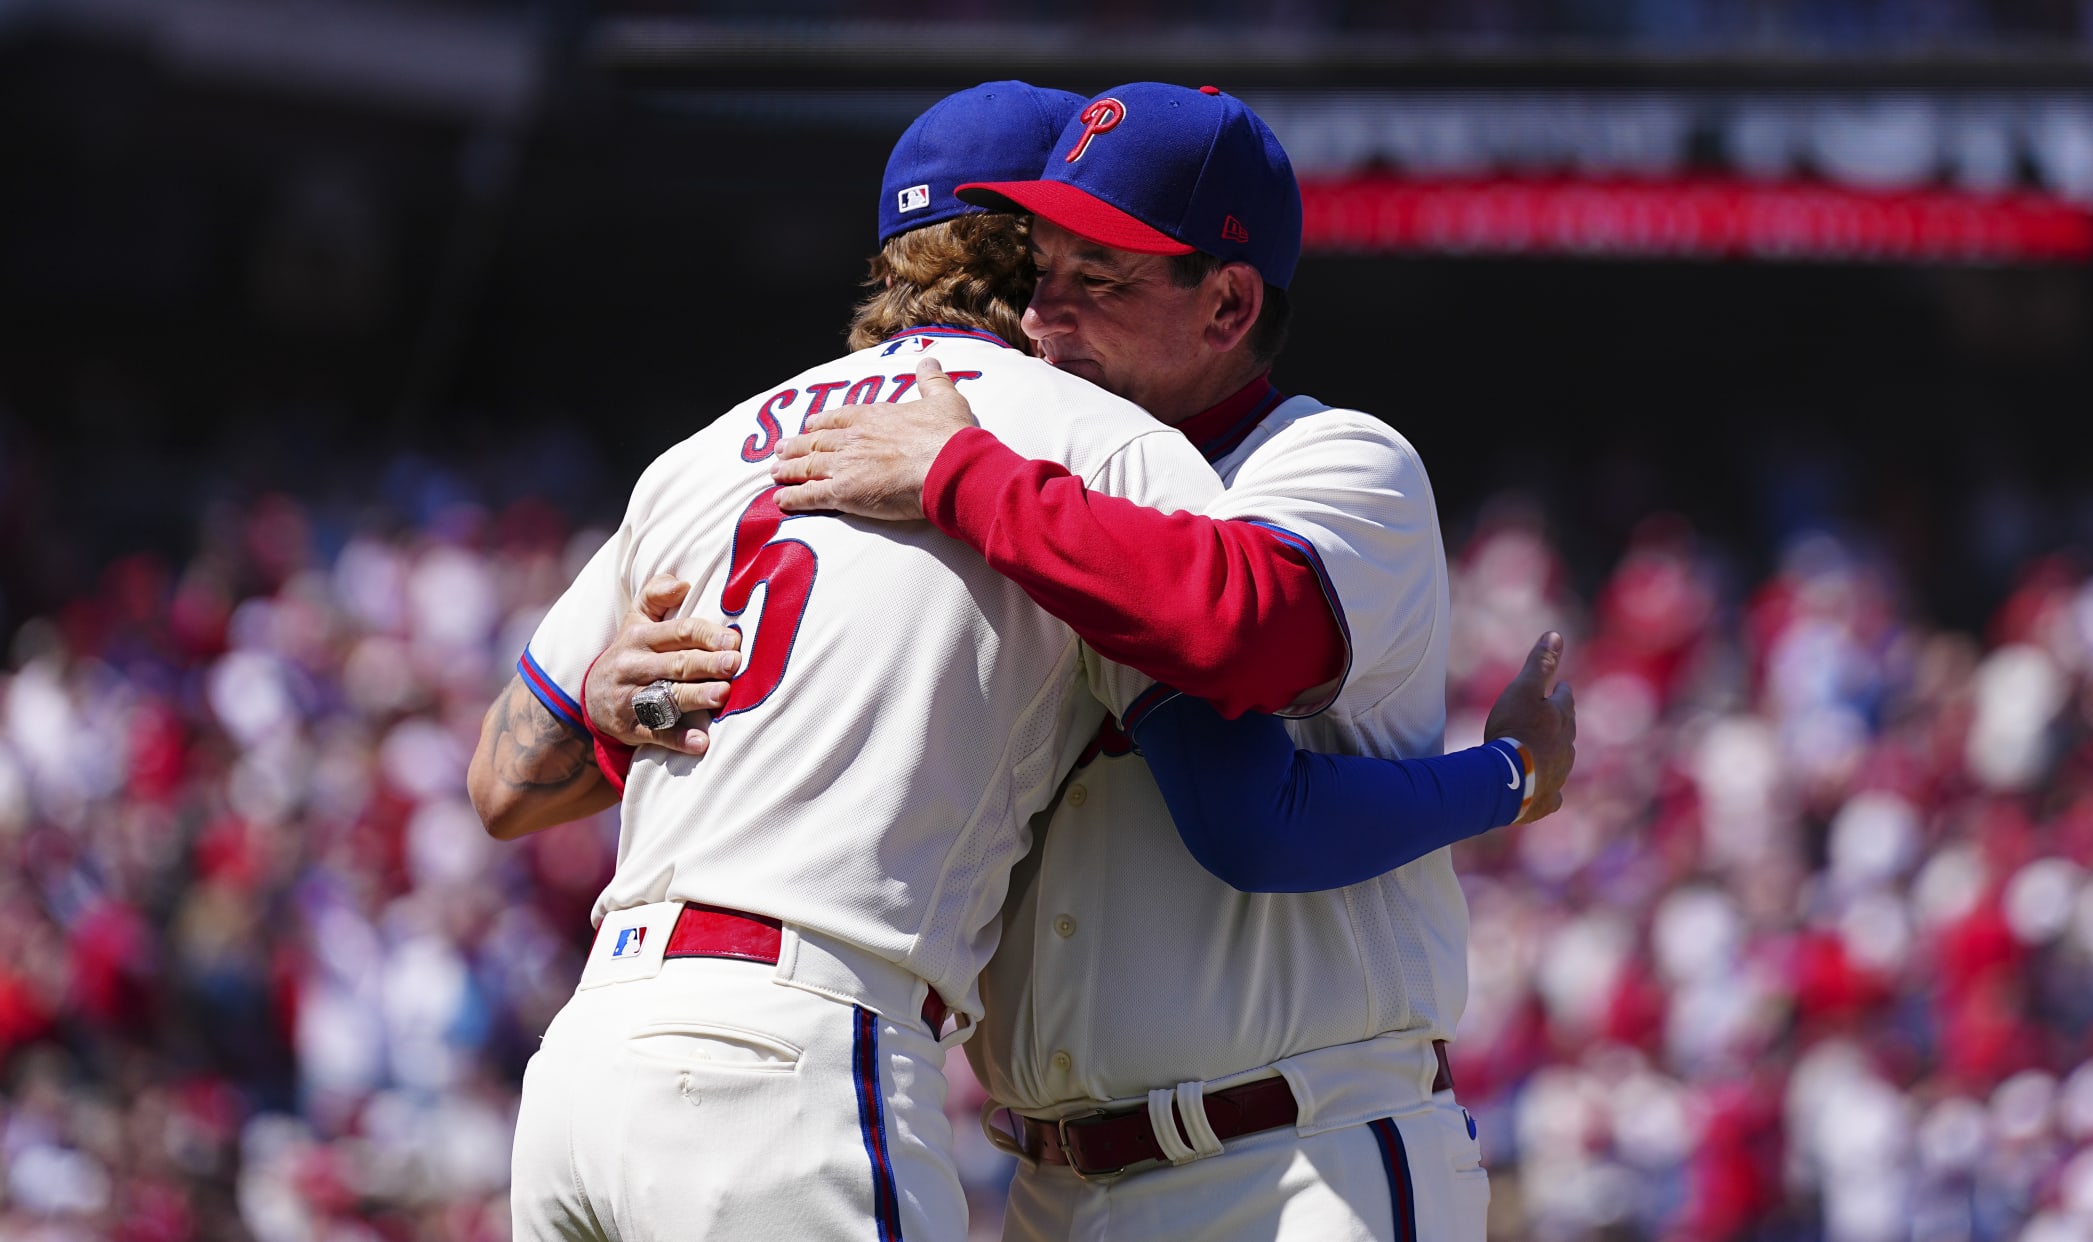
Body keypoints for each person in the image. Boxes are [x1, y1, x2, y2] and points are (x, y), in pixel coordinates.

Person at [468, 81, 1566, 1242]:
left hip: (1301, 1160)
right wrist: (618, 698)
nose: (1051, 313)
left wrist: (963, 479)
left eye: (1099, 276)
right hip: (1034, 1168)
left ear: (1231, 303)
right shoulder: (1029, 459)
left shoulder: (1323, 457)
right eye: (1042, 266)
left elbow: (1248, 671)